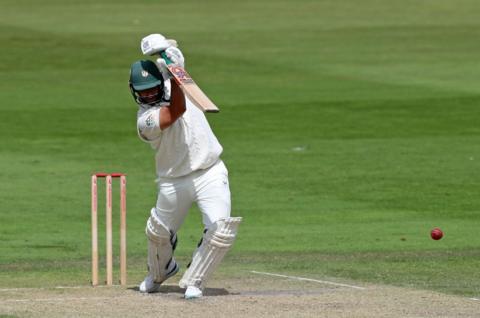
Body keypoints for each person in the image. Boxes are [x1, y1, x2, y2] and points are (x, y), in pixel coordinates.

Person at [128, 46, 242, 300]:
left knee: (220, 230)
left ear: (160, 84)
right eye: (142, 91)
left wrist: (169, 53)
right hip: (173, 180)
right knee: (158, 233)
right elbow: (174, 111)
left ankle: (196, 280)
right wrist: (173, 77)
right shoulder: (145, 120)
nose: (147, 94)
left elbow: (175, 55)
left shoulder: (174, 82)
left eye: (151, 89)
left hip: (209, 171)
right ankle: (160, 272)